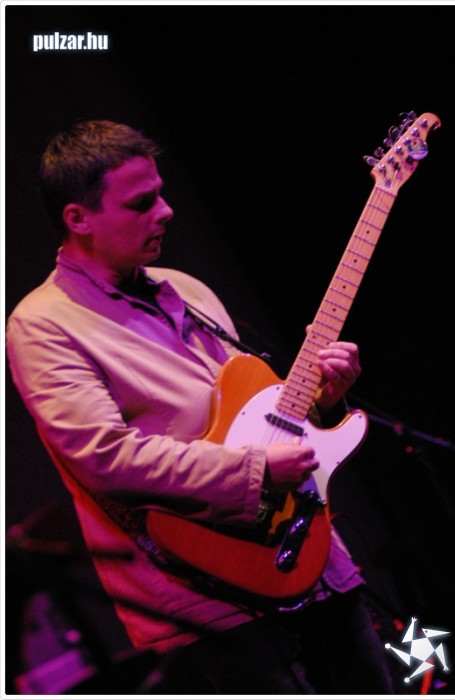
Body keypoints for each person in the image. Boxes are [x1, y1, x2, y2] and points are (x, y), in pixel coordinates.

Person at [7, 120, 394, 693]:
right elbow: (106, 458)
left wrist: (321, 400)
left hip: (311, 562)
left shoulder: (184, 288)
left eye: (161, 194)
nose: (165, 212)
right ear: (78, 218)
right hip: (208, 604)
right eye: (141, 203)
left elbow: (257, 418)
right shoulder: (42, 325)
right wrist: (255, 471)